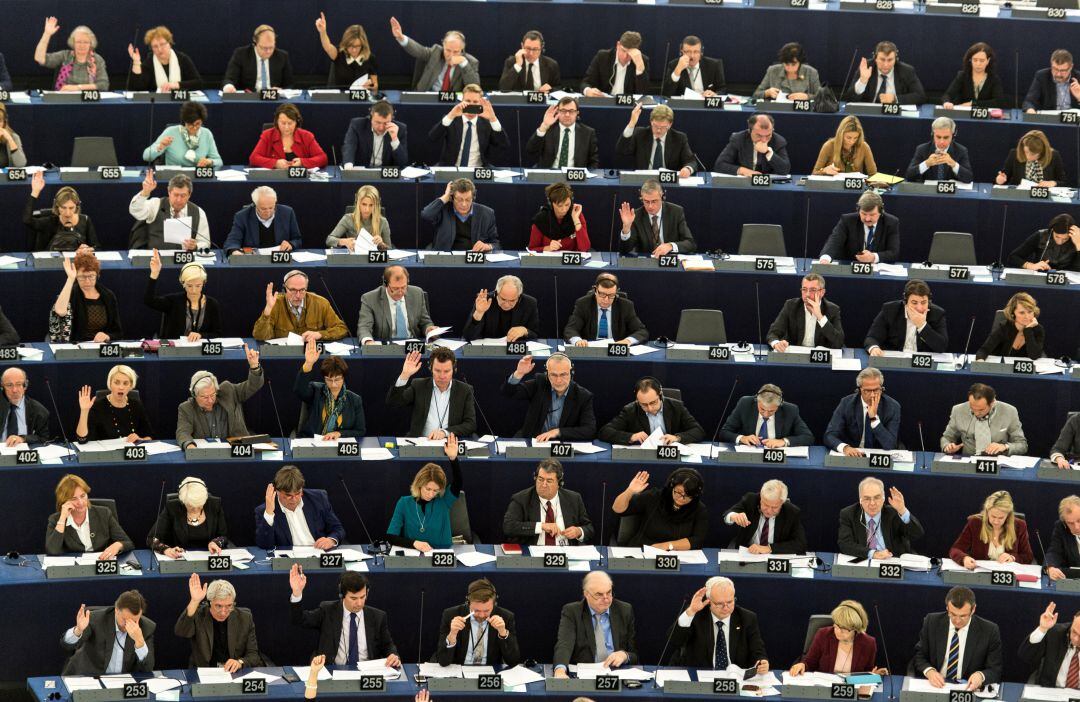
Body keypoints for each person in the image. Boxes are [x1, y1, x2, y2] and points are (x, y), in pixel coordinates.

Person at [289, 567, 401, 666]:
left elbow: (388, 646)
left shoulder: (378, 617)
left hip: (367, 673)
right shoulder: (327, 611)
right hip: (333, 671)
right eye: (353, 598)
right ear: (342, 595)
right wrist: (297, 593)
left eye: (362, 597)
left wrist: (393, 656)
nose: (359, 603)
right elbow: (299, 619)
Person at [912, 587, 1002, 690]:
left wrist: (980, 676)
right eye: (953, 614)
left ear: (973, 610)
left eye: (963, 616)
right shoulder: (932, 622)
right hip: (937, 687)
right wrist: (929, 671)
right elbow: (919, 655)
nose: (957, 621)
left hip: (967, 688)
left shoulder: (989, 630)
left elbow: (995, 670)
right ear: (947, 608)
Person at [670, 577, 768, 670]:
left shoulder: (747, 618)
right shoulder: (696, 615)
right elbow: (674, 641)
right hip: (700, 676)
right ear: (709, 602)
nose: (725, 607)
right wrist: (690, 611)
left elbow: (757, 650)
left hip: (734, 678)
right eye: (719, 604)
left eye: (730, 602)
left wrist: (762, 662)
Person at [175, 346, 264, 448]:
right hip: (207, 453)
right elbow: (182, 432)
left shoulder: (228, 391)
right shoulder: (186, 408)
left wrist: (254, 366)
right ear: (194, 395)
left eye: (212, 395)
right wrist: (189, 445)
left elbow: (253, 385)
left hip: (236, 450)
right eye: (204, 397)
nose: (210, 400)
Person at [553, 571, 637, 676]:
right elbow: (564, 645)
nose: (606, 599)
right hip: (584, 674)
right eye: (599, 594)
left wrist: (625, 655)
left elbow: (634, 655)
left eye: (609, 592)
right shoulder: (572, 612)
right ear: (586, 594)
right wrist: (560, 670)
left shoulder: (624, 610)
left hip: (616, 674)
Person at [386, 436, 462, 550]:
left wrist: (453, 458)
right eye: (428, 489)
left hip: (441, 554)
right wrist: (414, 543)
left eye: (436, 490)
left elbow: (458, 482)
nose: (431, 494)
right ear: (419, 485)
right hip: (414, 554)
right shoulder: (404, 503)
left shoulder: (444, 501)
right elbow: (391, 536)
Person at [502, 354, 596, 441]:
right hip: (533, 439)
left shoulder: (583, 396)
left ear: (571, 374)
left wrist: (558, 432)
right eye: (554, 375)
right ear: (547, 374)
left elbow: (589, 430)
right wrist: (519, 373)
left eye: (563, 374)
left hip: (561, 445)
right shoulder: (539, 383)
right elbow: (508, 393)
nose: (558, 380)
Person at [176, 576, 262, 671]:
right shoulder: (199, 615)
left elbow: (253, 655)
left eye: (229, 606)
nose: (223, 612)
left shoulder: (244, 617)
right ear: (209, 603)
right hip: (205, 672)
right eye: (218, 606)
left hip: (234, 672)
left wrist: (240, 662)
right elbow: (181, 632)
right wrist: (195, 601)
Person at [387, 349, 476, 439]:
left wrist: (445, 432)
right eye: (437, 371)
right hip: (421, 443)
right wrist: (404, 375)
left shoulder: (465, 390)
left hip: (450, 444)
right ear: (431, 368)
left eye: (446, 371)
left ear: (454, 370)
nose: (442, 376)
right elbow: (394, 402)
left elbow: (470, 424)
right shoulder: (419, 386)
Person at [502, 458, 594, 545]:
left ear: (559, 483)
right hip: (534, 553)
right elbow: (508, 527)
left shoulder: (574, 498)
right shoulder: (521, 499)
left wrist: (578, 531)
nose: (544, 485)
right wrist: (541, 526)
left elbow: (589, 528)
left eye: (549, 481)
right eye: (540, 479)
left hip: (565, 553)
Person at [612, 468, 708, 550]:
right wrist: (630, 491)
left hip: (676, 556)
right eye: (678, 492)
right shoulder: (655, 497)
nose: (681, 498)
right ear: (672, 487)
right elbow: (618, 509)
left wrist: (667, 545)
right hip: (643, 550)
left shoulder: (699, 509)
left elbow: (698, 540)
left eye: (687, 496)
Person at [61, 591, 154, 675]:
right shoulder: (95, 619)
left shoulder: (146, 628)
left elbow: (148, 668)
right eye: (125, 620)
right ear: (116, 610)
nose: (129, 625)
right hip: (88, 677)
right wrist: (78, 630)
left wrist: (139, 641)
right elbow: (67, 645)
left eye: (134, 621)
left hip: (122, 682)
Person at [255, 465, 346, 550]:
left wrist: (331, 540)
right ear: (277, 492)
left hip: (318, 554)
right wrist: (269, 514)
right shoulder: (264, 511)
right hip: (289, 561)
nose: (294, 499)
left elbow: (337, 528)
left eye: (298, 493)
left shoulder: (319, 499)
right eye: (288, 495)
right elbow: (264, 545)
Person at [435, 579, 521, 666]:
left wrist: (503, 633)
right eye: (476, 610)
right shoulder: (451, 615)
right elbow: (443, 661)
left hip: (489, 672)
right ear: (468, 602)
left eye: (487, 610)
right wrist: (452, 634)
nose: (481, 615)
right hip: (460, 670)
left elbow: (513, 661)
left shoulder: (506, 617)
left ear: (494, 604)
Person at [599, 377, 705, 446]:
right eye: (644, 405)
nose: (649, 408)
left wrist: (677, 438)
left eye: (653, 402)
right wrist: (631, 437)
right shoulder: (630, 410)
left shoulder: (676, 407)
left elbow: (698, 431)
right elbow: (605, 432)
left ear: (660, 394)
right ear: (637, 400)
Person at [46, 473, 134, 557]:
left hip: (100, 564)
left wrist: (118, 545)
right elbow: (52, 551)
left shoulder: (104, 513)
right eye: (74, 499)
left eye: (83, 496)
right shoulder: (55, 519)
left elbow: (128, 543)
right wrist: (62, 518)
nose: (80, 502)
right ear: (64, 500)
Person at [790, 600, 885, 676]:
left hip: (850, 690)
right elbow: (810, 662)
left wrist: (872, 675)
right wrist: (802, 665)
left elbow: (866, 672)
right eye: (836, 626)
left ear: (855, 628)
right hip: (824, 687)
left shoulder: (868, 643)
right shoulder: (823, 634)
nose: (838, 631)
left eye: (843, 628)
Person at [294, 339, 366, 439]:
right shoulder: (316, 391)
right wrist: (308, 364)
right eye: (328, 380)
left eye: (337, 380)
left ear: (343, 377)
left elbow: (360, 431)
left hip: (338, 444)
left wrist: (339, 434)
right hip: (312, 442)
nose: (333, 385)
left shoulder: (354, 400)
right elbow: (299, 390)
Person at [837, 477, 924, 558]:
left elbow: (917, 534)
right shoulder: (849, 514)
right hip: (865, 561)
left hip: (894, 561)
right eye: (867, 498)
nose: (872, 503)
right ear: (860, 500)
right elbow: (845, 544)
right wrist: (873, 554)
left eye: (877, 498)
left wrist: (902, 510)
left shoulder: (894, 513)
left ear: (883, 499)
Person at [252, 270, 348, 341]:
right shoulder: (275, 304)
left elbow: (341, 328)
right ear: (285, 288)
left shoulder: (321, 303)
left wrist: (320, 334)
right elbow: (259, 336)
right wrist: (268, 310)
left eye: (302, 290)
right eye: (293, 290)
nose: (298, 295)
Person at [824, 367, 901, 455]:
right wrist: (845, 448)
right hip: (852, 452)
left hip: (877, 455)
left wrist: (874, 419)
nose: (872, 395)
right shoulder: (846, 403)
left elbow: (890, 444)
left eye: (876, 390)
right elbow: (829, 435)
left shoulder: (893, 407)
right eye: (868, 391)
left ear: (881, 388)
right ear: (860, 389)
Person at [145, 254, 222, 340]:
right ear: (183, 283)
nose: (194, 290)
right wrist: (154, 274)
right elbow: (149, 301)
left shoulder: (212, 304)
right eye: (189, 286)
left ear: (204, 283)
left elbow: (217, 333)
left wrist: (201, 335)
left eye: (198, 286)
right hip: (176, 350)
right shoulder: (174, 301)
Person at [949, 490, 1033, 569]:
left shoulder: (1019, 526)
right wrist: (964, 558)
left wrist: (1012, 558)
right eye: (993, 516)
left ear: (1008, 516)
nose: (996, 521)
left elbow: (1027, 556)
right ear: (987, 512)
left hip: (1007, 574)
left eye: (1001, 518)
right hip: (980, 573)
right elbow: (955, 549)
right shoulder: (975, 523)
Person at [429, 84, 507, 168]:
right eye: (468, 101)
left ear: (480, 103)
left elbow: (503, 144)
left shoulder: (487, 122)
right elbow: (433, 138)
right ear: (461, 101)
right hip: (452, 168)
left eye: (475, 102)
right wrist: (451, 115)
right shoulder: (451, 119)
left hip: (478, 170)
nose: (471, 105)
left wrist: (493, 118)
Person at [129, 171, 211, 250]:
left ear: (189, 195)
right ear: (169, 192)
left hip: (184, 260)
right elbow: (135, 211)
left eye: (183, 196)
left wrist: (195, 246)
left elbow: (205, 243)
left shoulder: (198, 212)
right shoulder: (156, 204)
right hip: (157, 259)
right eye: (176, 195)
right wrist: (145, 193)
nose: (179, 200)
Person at [390, 18, 479, 91]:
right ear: (443, 45)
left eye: (456, 51)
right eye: (448, 50)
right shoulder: (435, 52)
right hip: (428, 97)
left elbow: (475, 88)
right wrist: (400, 37)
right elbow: (418, 50)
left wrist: (464, 64)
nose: (451, 55)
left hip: (453, 103)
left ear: (462, 49)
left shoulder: (470, 62)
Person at [49, 253, 121, 343]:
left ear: (97, 275)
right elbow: (60, 311)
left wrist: (107, 336)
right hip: (74, 346)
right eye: (82, 277)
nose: (87, 281)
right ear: (76, 276)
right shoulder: (71, 292)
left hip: (100, 346)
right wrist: (70, 279)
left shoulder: (108, 296)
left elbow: (118, 332)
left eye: (91, 276)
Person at [940, 383, 1028, 457]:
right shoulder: (958, 410)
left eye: (981, 410)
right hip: (969, 461)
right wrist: (947, 446)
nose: (976, 413)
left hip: (998, 463)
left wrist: (1005, 447)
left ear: (992, 403)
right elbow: (947, 437)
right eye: (972, 408)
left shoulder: (1009, 411)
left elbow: (1022, 445)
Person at [148, 477, 228, 557]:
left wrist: (215, 542)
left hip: (210, 557)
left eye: (199, 505)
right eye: (191, 506)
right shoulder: (172, 507)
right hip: (180, 558)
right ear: (183, 501)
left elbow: (223, 536)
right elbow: (151, 538)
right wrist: (166, 549)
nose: (195, 509)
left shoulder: (214, 505)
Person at [864, 279, 948, 355]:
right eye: (914, 303)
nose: (919, 308)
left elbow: (941, 346)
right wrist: (874, 348)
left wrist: (922, 326)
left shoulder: (937, 314)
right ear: (905, 302)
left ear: (929, 302)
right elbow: (872, 337)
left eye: (923, 302)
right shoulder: (890, 310)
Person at [723, 479, 807, 554]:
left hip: (775, 555)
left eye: (774, 507)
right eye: (765, 505)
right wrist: (733, 516)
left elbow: (800, 544)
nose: (769, 511)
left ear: (782, 503)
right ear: (760, 498)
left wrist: (769, 548)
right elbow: (728, 514)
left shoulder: (791, 512)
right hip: (747, 551)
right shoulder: (751, 500)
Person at [357, 265, 436, 344]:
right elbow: (364, 327)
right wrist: (368, 341)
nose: (400, 292)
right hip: (386, 346)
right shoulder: (370, 299)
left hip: (412, 346)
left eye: (404, 287)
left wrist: (429, 329)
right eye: (395, 288)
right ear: (385, 284)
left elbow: (425, 322)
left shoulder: (417, 293)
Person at [564, 273, 649, 346]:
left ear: (616, 292)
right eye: (602, 294)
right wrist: (578, 341)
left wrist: (627, 341)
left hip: (615, 351)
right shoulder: (583, 304)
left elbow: (641, 331)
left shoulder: (626, 306)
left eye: (611, 295)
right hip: (591, 350)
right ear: (595, 290)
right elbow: (571, 329)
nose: (606, 300)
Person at [74, 365, 153, 443]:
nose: (121, 387)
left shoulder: (136, 405)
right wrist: (84, 411)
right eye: (117, 383)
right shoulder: (98, 406)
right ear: (110, 384)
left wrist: (140, 439)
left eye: (125, 383)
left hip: (129, 453)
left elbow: (149, 436)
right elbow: (82, 439)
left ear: (131, 386)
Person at [718, 384, 814, 447]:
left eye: (771, 411)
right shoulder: (745, 404)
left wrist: (783, 441)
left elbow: (808, 437)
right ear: (757, 401)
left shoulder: (790, 410)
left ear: (779, 405)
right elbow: (724, 432)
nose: (766, 414)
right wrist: (742, 438)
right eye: (762, 409)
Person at [766, 273, 845, 350]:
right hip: (796, 355)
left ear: (822, 292)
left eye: (812, 290)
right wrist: (776, 343)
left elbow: (839, 342)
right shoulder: (791, 305)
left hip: (819, 359)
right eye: (804, 289)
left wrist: (820, 317)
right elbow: (773, 333)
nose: (807, 294)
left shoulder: (832, 309)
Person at [617, 180, 696, 255]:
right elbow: (624, 250)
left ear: (662, 197)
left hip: (670, 263)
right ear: (642, 199)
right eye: (646, 201)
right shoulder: (636, 216)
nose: (650, 206)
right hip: (647, 264)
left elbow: (690, 244)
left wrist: (670, 246)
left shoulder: (676, 212)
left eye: (654, 201)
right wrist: (626, 228)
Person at [616, 104, 697, 176]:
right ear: (651, 122)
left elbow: (691, 161)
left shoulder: (679, 138)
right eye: (655, 126)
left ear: (670, 124)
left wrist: (688, 169)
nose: (658, 130)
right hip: (644, 180)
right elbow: (622, 150)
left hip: (667, 182)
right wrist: (631, 124)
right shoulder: (640, 134)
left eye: (662, 127)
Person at [422, 178, 500, 251]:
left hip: (472, 260)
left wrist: (488, 246)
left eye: (468, 200)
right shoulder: (443, 209)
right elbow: (426, 214)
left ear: (473, 198)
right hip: (447, 258)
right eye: (459, 200)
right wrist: (445, 197)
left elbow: (496, 244)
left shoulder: (487, 213)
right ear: (452, 198)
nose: (464, 204)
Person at [24, 173, 98, 251]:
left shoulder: (85, 221)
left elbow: (96, 247)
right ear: (57, 206)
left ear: (77, 206)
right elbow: (27, 220)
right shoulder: (50, 222)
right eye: (63, 208)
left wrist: (89, 249)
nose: (68, 213)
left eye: (71, 208)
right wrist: (35, 192)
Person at [819, 193, 897, 265]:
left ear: (881, 212)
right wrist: (825, 258)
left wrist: (873, 257)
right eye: (863, 214)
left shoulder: (891, 222)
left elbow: (894, 252)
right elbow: (834, 241)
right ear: (858, 210)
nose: (867, 219)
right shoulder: (847, 220)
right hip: (850, 267)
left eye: (872, 215)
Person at [223, 186, 303, 255]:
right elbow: (232, 241)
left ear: (275, 202)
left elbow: (297, 239)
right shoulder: (242, 216)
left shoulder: (287, 212)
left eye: (271, 207)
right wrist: (234, 251)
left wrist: (291, 244)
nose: (268, 212)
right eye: (263, 209)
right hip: (255, 262)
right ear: (255, 205)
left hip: (279, 260)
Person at [35, 17, 109, 91]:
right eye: (78, 42)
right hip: (64, 100)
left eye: (86, 42)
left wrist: (77, 88)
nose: (82, 45)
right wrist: (47, 34)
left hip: (88, 101)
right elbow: (39, 58)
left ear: (91, 44)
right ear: (73, 43)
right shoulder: (65, 56)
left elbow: (103, 85)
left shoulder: (97, 59)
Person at [142, 101, 222, 167]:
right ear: (185, 121)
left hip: (197, 177)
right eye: (190, 124)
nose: (194, 128)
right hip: (174, 178)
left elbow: (218, 161)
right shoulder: (170, 132)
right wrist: (160, 147)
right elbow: (146, 156)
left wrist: (210, 161)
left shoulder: (206, 134)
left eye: (197, 124)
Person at [526, 98, 599, 169]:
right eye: (563, 111)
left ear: (577, 113)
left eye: (571, 111)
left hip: (574, 177)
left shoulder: (588, 133)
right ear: (557, 112)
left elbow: (593, 162)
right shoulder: (548, 129)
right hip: (549, 174)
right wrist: (544, 126)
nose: (567, 115)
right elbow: (531, 150)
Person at [845, 40, 926, 105]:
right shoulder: (866, 67)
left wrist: (895, 99)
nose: (886, 65)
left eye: (890, 60)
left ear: (896, 59)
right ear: (875, 58)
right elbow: (850, 98)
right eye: (882, 59)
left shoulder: (906, 71)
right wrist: (862, 81)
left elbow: (920, 96)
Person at [249, 103, 328, 170]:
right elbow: (253, 159)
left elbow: (323, 158)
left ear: (296, 122)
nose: (286, 127)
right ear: (277, 122)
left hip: (300, 181)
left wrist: (302, 162)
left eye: (290, 123)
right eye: (283, 123)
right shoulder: (268, 135)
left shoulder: (306, 136)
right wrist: (275, 163)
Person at [1018, 604, 1080, 687]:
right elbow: (1026, 656)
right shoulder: (1055, 633)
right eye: (1074, 632)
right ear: (1074, 619)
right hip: (1051, 691)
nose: (1076, 639)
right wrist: (1042, 629)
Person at [462, 275, 539, 341]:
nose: (506, 304)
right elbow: (468, 337)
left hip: (515, 351)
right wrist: (479, 313)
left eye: (512, 300)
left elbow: (535, 335)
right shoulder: (484, 300)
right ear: (496, 293)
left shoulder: (529, 303)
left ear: (519, 297)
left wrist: (525, 331)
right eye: (503, 299)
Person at [126, 26, 201, 92]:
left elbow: (198, 83)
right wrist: (136, 62)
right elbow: (135, 88)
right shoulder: (149, 62)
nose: (159, 49)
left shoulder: (182, 59)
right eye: (155, 46)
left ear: (169, 43)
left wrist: (176, 85)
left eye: (162, 44)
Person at [974, 292, 1045, 361]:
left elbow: (1034, 355)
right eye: (1022, 313)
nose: (1027, 316)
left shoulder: (1038, 330)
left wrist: (1028, 330)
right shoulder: (1004, 328)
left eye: (1030, 312)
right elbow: (984, 350)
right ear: (1012, 313)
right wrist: (980, 362)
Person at [714, 113, 791, 176]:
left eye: (768, 135)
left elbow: (785, 170)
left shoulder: (778, 141)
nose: (764, 140)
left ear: (772, 130)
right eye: (759, 135)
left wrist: (769, 153)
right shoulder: (738, 139)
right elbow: (719, 165)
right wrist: (742, 170)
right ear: (750, 131)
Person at [222, 25, 293, 92]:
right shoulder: (241, 54)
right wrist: (229, 86)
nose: (268, 52)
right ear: (255, 42)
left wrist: (281, 90)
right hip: (249, 98)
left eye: (271, 47)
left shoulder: (282, 56)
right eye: (264, 48)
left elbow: (289, 84)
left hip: (273, 99)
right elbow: (229, 79)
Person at [904, 116, 974, 183]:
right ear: (932, 134)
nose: (941, 141)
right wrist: (926, 164)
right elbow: (909, 176)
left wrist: (953, 164)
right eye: (938, 137)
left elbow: (968, 178)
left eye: (946, 137)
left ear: (953, 135)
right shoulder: (922, 149)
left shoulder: (961, 150)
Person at [315, 14, 377, 90]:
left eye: (358, 46)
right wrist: (323, 32)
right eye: (351, 46)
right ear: (345, 44)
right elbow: (327, 46)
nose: (354, 50)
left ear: (363, 45)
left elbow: (375, 86)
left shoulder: (370, 58)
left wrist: (371, 86)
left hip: (360, 99)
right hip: (339, 98)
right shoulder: (338, 53)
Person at [341, 101, 408, 170]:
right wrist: (348, 165)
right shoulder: (357, 125)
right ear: (371, 117)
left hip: (385, 176)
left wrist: (394, 139)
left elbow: (402, 164)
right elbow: (349, 147)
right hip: (362, 173)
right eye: (378, 122)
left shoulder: (400, 129)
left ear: (392, 119)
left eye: (386, 123)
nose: (381, 127)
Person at [529, 181, 591, 252]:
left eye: (567, 204)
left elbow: (585, 248)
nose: (564, 209)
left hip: (571, 262)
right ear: (552, 204)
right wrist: (548, 248)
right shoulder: (541, 219)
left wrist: (576, 220)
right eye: (560, 205)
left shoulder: (576, 214)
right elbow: (532, 249)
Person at [942, 42, 1007, 109]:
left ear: (988, 61)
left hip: (986, 118)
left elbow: (999, 102)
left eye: (982, 60)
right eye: (975, 60)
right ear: (970, 60)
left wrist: (973, 104)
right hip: (963, 116)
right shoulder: (962, 76)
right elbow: (948, 95)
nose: (978, 64)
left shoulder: (994, 79)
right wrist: (946, 102)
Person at [581, 32, 649, 96]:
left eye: (630, 53)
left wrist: (639, 68)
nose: (625, 56)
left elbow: (643, 93)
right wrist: (587, 91)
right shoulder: (603, 57)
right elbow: (586, 82)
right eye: (623, 50)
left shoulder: (641, 61)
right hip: (604, 103)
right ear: (618, 45)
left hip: (628, 106)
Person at [1008, 213, 1080, 272]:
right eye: (1057, 237)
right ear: (1052, 230)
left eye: (1065, 239)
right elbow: (1013, 257)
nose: (1060, 242)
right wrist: (1031, 266)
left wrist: (1078, 244)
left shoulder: (1077, 239)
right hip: (1040, 275)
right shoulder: (1041, 235)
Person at [328, 186, 392, 251]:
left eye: (371, 205)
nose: (367, 209)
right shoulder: (348, 219)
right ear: (358, 203)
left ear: (376, 205)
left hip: (373, 259)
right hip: (355, 258)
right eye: (364, 204)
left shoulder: (383, 221)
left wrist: (381, 244)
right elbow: (329, 240)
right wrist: (343, 241)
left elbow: (389, 249)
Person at [995, 130, 1066, 187]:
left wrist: (1053, 183)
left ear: (1042, 152)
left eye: (1033, 154)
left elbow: (1063, 182)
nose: (1028, 156)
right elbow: (1003, 178)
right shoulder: (1014, 154)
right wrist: (1000, 180)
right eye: (1026, 152)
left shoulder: (1054, 156)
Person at [812, 116, 877, 176]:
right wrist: (824, 171)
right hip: (834, 186)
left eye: (855, 138)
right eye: (848, 137)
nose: (852, 141)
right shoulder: (829, 146)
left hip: (855, 187)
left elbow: (873, 174)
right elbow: (814, 174)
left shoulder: (864, 146)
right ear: (841, 134)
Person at [753, 42, 820, 100]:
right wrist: (767, 93)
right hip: (778, 111)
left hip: (803, 112)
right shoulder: (772, 71)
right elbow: (756, 95)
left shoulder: (811, 72)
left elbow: (821, 98)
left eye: (793, 64)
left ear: (800, 62)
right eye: (786, 64)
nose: (789, 67)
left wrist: (807, 96)